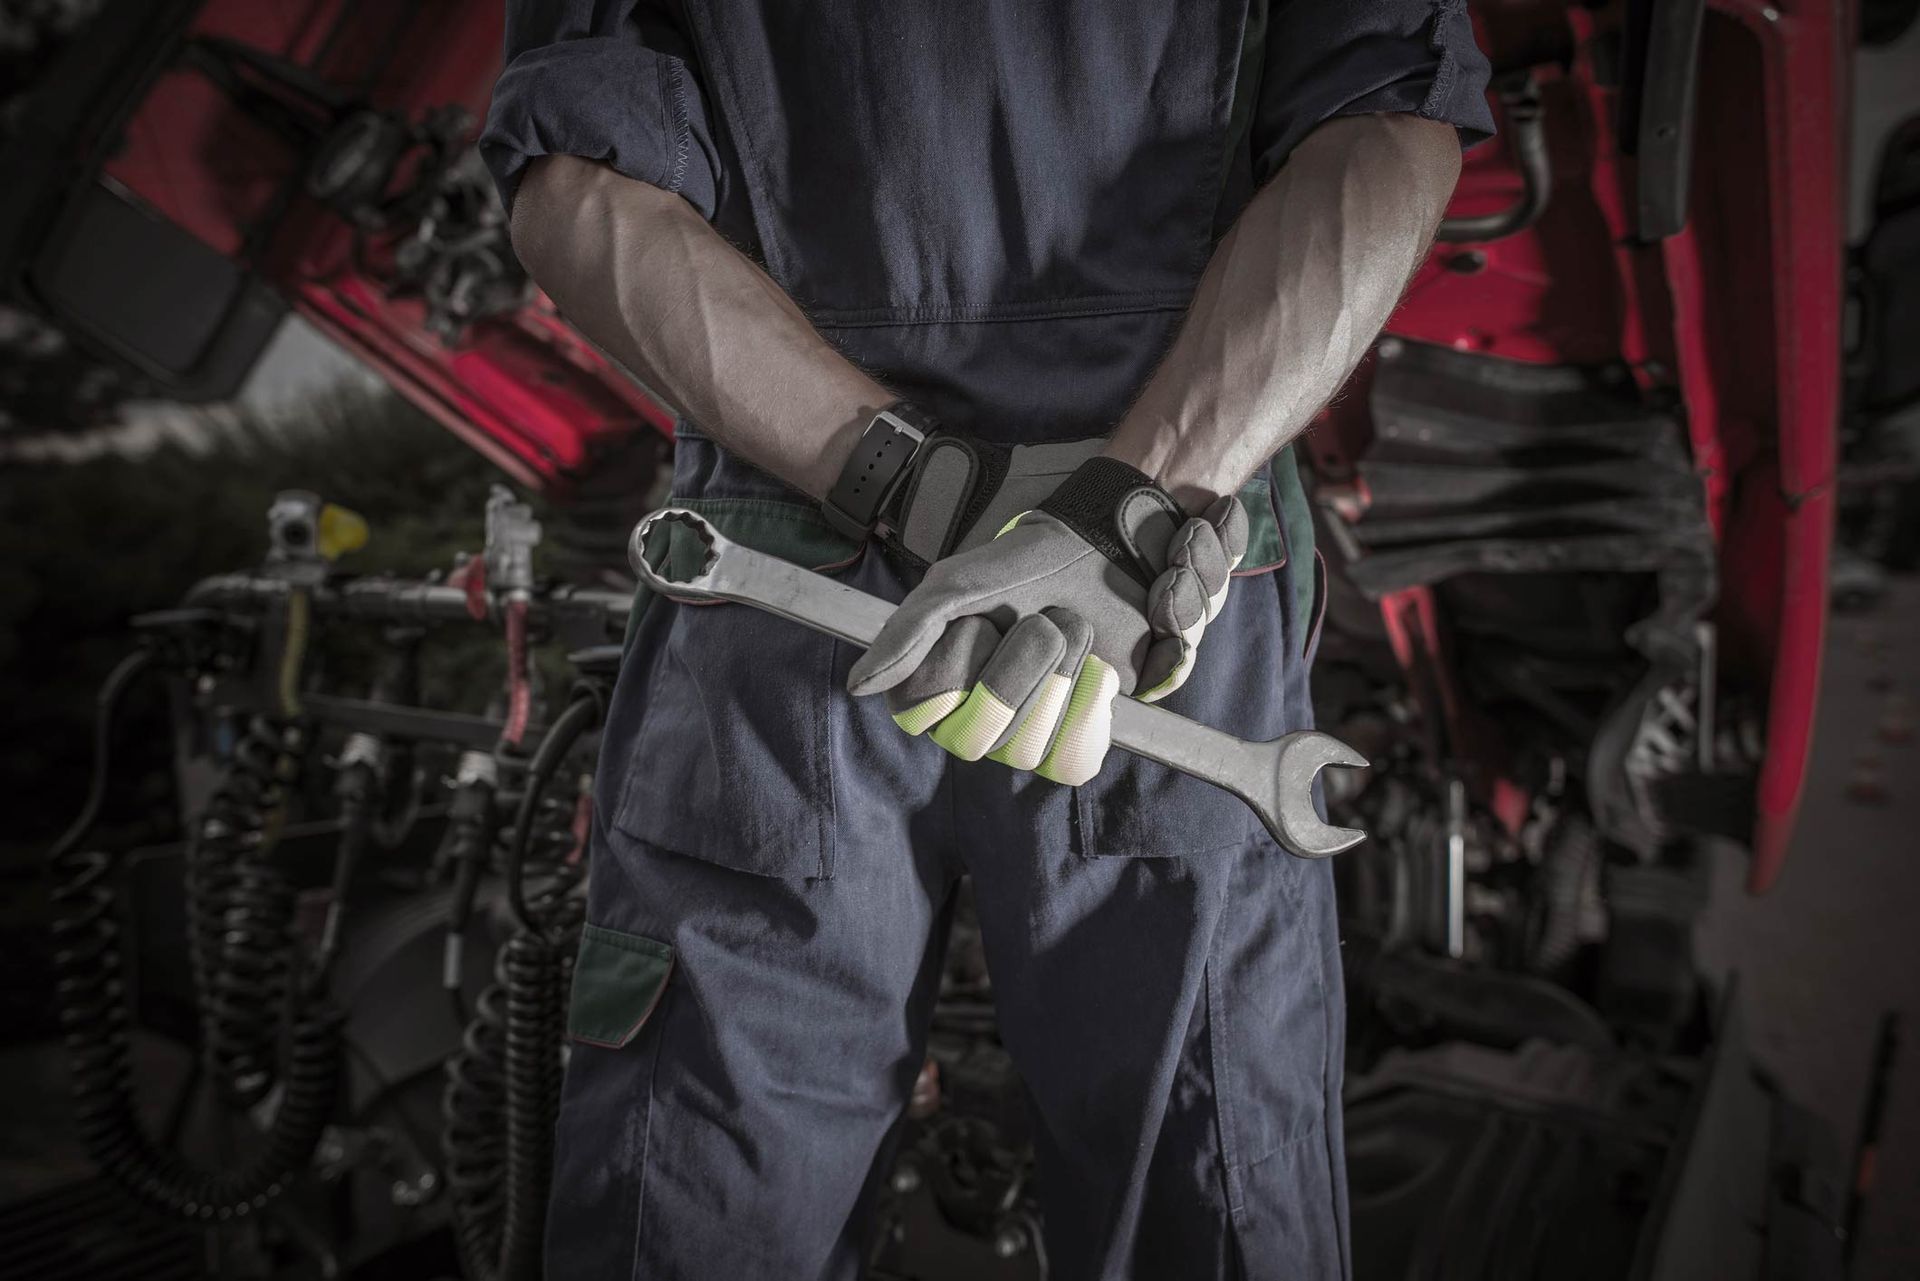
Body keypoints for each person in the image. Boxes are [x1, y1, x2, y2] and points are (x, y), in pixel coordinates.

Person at [483, 3, 1491, 1276]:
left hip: (795, 554)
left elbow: (577, 183)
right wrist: (1126, 508)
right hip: (1165, 582)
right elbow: (1389, 128)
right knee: (1212, 1181)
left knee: (699, 1192)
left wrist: (918, 486)